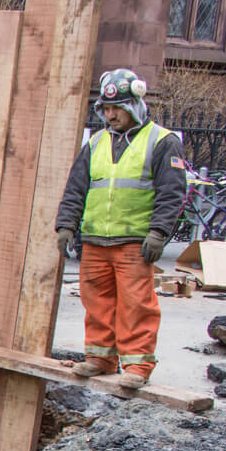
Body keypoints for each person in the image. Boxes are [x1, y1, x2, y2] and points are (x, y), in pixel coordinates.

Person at [55, 68, 187, 389]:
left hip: (133, 240)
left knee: (135, 302)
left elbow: (172, 192)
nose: (111, 115)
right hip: (96, 238)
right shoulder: (97, 142)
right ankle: (100, 357)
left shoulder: (161, 141)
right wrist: (66, 225)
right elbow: (77, 187)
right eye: (107, 109)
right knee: (96, 300)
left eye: (118, 109)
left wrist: (158, 233)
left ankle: (138, 364)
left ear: (135, 106)